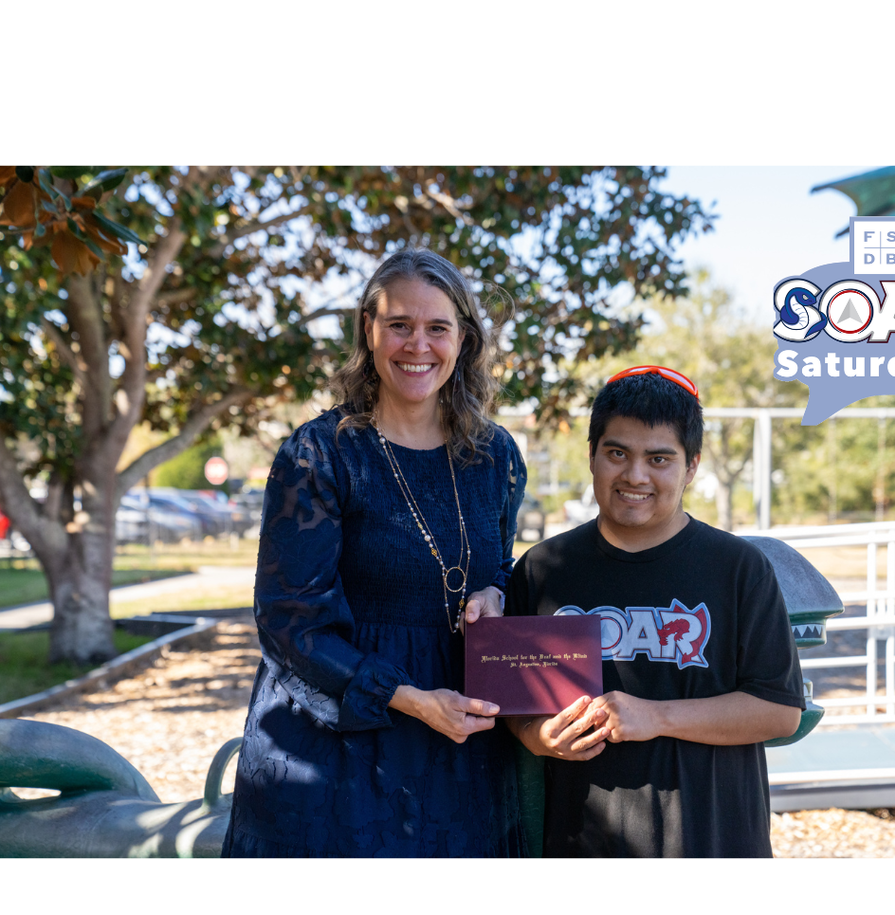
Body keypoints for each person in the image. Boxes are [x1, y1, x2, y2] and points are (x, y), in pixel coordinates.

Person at [223, 249, 527, 857]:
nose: (418, 345)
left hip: (460, 740)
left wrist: (494, 592)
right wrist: (410, 699)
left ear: (463, 340)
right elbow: (289, 621)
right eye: (399, 326)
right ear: (369, 330)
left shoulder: (495, 456)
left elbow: (495, 563)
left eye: (437, 328)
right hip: (336, 745)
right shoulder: (320, 455)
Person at [504, 366, 804, 857]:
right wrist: (538, 737)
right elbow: (513, 706)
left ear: (691, 466)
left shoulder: (738, 568)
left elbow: (779, 711)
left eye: (659, 458)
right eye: (617, 453)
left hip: (713, 841)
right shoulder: (543, 570)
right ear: (592, 456)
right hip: (581, 843)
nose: (635, 475)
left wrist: (656, 716)